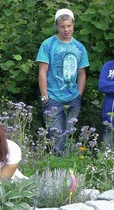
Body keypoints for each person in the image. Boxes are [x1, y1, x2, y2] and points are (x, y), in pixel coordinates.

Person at [36, 8, 89, 154]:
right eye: (62, 26)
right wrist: (44, 95)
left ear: (73, 25)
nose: (66, 29)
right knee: (55, 136)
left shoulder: (79, 47)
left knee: (70, 134)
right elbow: (42, 72)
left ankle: (67, 170)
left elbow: (82, 73)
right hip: (53, 98)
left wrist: (79, 94)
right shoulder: (48, 45)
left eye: (69, 26)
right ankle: (55, 168)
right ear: (57, 26)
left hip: (73, 97)